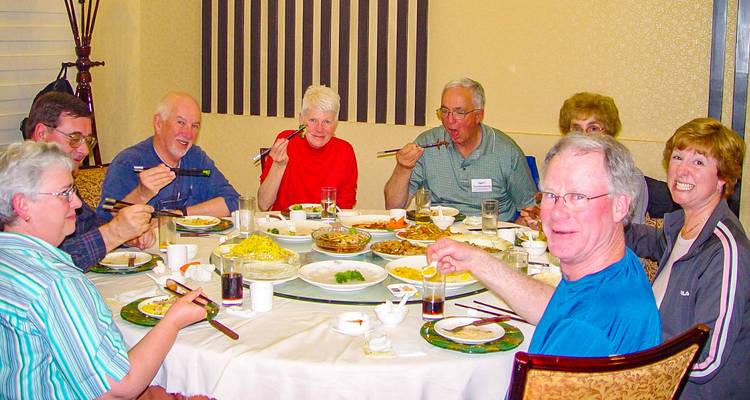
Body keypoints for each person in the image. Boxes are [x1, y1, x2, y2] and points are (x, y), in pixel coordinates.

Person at [0, 141, 206, 399]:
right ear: (22, 205)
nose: (76, 202)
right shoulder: (57, 283)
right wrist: (173, 320)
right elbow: (118, 388)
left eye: (73, 191)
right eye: (64, 194)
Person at [429, 133, 661, 357]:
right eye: (550, 195)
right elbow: (559, 307)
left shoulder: (584, 333)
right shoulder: (618, 268)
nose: (558, 212)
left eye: (578, 197)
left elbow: (576, 322)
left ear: (620, 206)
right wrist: (477, 260)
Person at [626, 118, 749, 399]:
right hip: (656, 371)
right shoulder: (682, 227)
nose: (681, 169)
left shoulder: (726, 251)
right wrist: (603, 222)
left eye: (698, 162)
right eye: (678, 157)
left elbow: (708, 360)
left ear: (722, 178)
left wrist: (633, 360)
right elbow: (649, 240)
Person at [24, 91, 154, 272]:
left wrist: (128, 233)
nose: (84, 150)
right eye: (75, 138)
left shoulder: (61, 179)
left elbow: (90, 226)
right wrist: (114, 233)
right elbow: (44, 263)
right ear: (42, 133)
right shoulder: (17, 188)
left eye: (87, 140)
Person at [384, 78, 536, 220]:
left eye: (459, 112)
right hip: (438, 235)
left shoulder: (506, 151)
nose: (449, 120)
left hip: (489, 237)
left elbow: (530, 211)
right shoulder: (427, 143)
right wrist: (403, 168)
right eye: (444, 111)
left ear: (478, 116)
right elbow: (393, 207)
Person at [97, 92, 239, 219]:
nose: (188, 134)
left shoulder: (196, 158)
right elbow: (107, 219)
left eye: (194, 126)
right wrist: (141, 193)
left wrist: (176, 216)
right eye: (181, 123)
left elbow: (232, 201)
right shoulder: (128, 162)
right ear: (158, 124)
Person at [258, 85, 358, 211]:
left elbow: (344, 209)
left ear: (336, 124)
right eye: (312, 120)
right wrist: (278, 166)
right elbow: (263, 204)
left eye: (326, 122)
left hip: (327, 226)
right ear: (301, 119)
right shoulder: (286, 141)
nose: (319, 129)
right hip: (286, 224)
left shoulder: (345, 151)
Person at [558, 92, 648, 223]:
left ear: (608, 134)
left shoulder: (629, 178)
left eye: (593, 128)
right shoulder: (559, 172)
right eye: (576, 129)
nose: (584, 136)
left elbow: (632, 233)